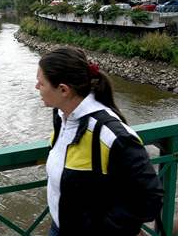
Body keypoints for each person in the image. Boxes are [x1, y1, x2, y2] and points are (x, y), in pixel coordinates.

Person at [35, 47, 164, 236]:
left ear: (63, 90)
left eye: (41, 83)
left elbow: (149, 198)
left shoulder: (111, 135)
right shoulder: (62, 115)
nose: (37, 87)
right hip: (59, 227)